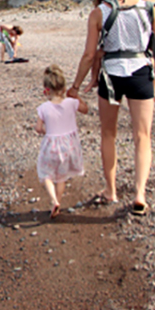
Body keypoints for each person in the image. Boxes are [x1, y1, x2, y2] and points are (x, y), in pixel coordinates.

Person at [67, 0, 155, 217]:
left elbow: (89, 54)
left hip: (111, 75)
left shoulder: (99, 12)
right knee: (142, 136)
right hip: (141, 72)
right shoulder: (148, 8)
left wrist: (76, 86)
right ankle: (139, 194)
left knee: (108, 135)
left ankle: (111, 190)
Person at [35, 64, 88, 219]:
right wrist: (76, 96)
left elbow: (38, 128)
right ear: (64, 88)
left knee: (46, 174)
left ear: (46, 90)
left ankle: (53, 200)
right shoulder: (71, 103)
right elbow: (85, 109)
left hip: (51, 146)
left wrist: (47, 132)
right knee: (61, 177)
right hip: (69, 146)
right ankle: (58, 201)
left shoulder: (43, 107)